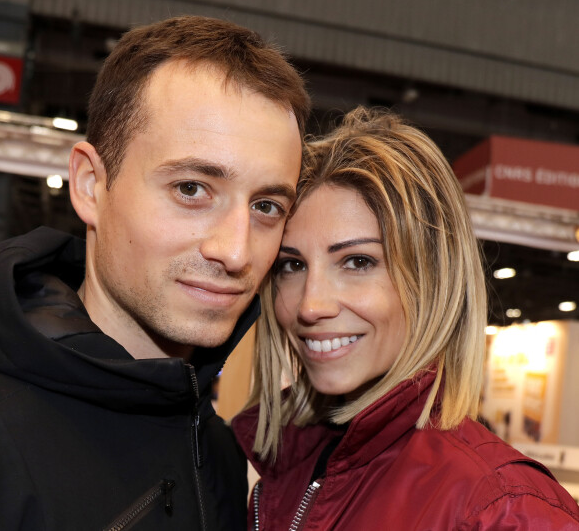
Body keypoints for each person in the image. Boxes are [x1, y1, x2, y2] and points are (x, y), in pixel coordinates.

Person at [0, 15, 310, 530]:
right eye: (191, 189)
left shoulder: (221, 456)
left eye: (267, 206)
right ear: (90, 185)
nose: (235, 252)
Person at [232, 107, 579, 530]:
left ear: (431, 280)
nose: (310, 305)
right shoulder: (292, 465)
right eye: (292, 266)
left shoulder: (502, 510)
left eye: (358, 262)